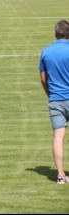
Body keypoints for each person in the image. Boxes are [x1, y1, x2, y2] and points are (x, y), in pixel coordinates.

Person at [39, 19, 69, 184]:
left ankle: (60, 175)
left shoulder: (46, 51)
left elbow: (43, 78)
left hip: (56, 99)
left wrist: (50, 94)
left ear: (55, 34)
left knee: (59, 135)